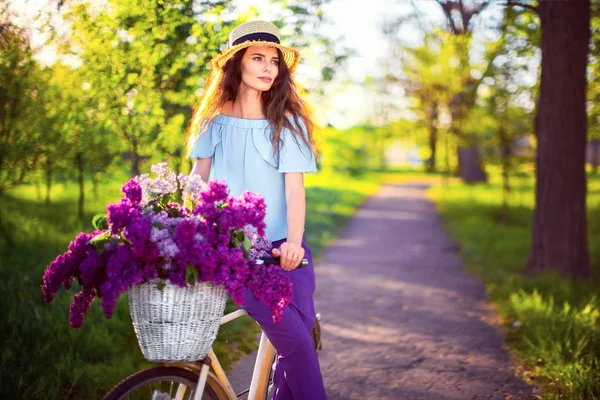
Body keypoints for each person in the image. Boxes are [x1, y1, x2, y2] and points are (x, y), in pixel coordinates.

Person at [185, 20, 327, 400]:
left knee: (298, 346)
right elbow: (197, 182)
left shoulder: (288, 122)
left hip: (286, 250)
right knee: (296, 342)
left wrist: (294, 244)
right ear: (237, 65)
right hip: (237, 252)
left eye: (275, 61)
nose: (268, 68)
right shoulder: (213, 121)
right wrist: (186, 232)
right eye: (258, 58)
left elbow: (294, 192)